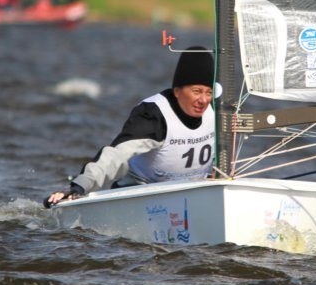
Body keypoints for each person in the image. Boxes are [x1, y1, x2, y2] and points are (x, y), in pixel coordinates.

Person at [44, 47, 216, 208]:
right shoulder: (154, 115)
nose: (203, 100)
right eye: (196, 91)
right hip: (143, 192)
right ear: (177, 91)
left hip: (195, 191)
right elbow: (116, 155)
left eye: (208, 92)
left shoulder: (219, 108)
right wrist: (80, 186)